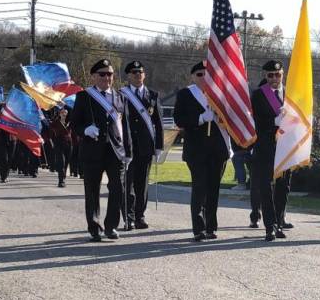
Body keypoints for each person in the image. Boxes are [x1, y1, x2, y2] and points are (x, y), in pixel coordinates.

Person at [70, 59, 131, 242]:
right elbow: (74, 124)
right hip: (92, 151)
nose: (107, 78)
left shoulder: (120, 97)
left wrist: (128, 152)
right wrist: (85, 130)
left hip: (115, 151)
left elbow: (124, 127)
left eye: (110, 74)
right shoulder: (84, 97)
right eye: (103, 74)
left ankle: (111, 226)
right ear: (94, 76)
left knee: (118, 189)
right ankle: (95, 227)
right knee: (92, 190)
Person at [173, 61, 232, 242]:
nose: (204, 77)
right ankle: (198, 228)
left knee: (213, 189)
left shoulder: (221, 95)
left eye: (208, 74)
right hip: (196, 150)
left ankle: (210, 227)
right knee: (199, 188)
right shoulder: (186, 94)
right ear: (193, 76)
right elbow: (178, 119)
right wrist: (199, 118)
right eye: (200, 74)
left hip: (218, 149)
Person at [250, 60, 294, 242]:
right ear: (265, 76)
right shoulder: (259, 95)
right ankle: (270, 226)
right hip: (266, 147)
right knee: (266, 188)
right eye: (270, 75)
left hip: (286, 147)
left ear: (282, 74)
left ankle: (279, 222)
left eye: (278, 74)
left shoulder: (291, 94)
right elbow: (256, 121)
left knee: (283, 187)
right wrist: (274, 122)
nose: (275, 78)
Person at [119, 61, 164, 231]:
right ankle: (128, 218)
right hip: (127, 147)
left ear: (144, 75)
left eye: (140, 72)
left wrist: (158, 146)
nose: (138, 75)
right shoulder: (121, 95)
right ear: (128, 75)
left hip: (145, 147)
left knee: (142, 184)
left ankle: (140, 216)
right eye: (134, 72)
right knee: (127, 184)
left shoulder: (153, 95)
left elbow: (158, 122)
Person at [50, 108, 72, 187]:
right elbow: (51, 132)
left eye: (65, 113)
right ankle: (61, 180)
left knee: (66, 162)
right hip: (59, 144)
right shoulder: (56, 122)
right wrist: (52, 142)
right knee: (61, 162)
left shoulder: (70, 122)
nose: (64, 114)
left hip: (69, 144)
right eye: (62, 112)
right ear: (59, 114)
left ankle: (64, 176)